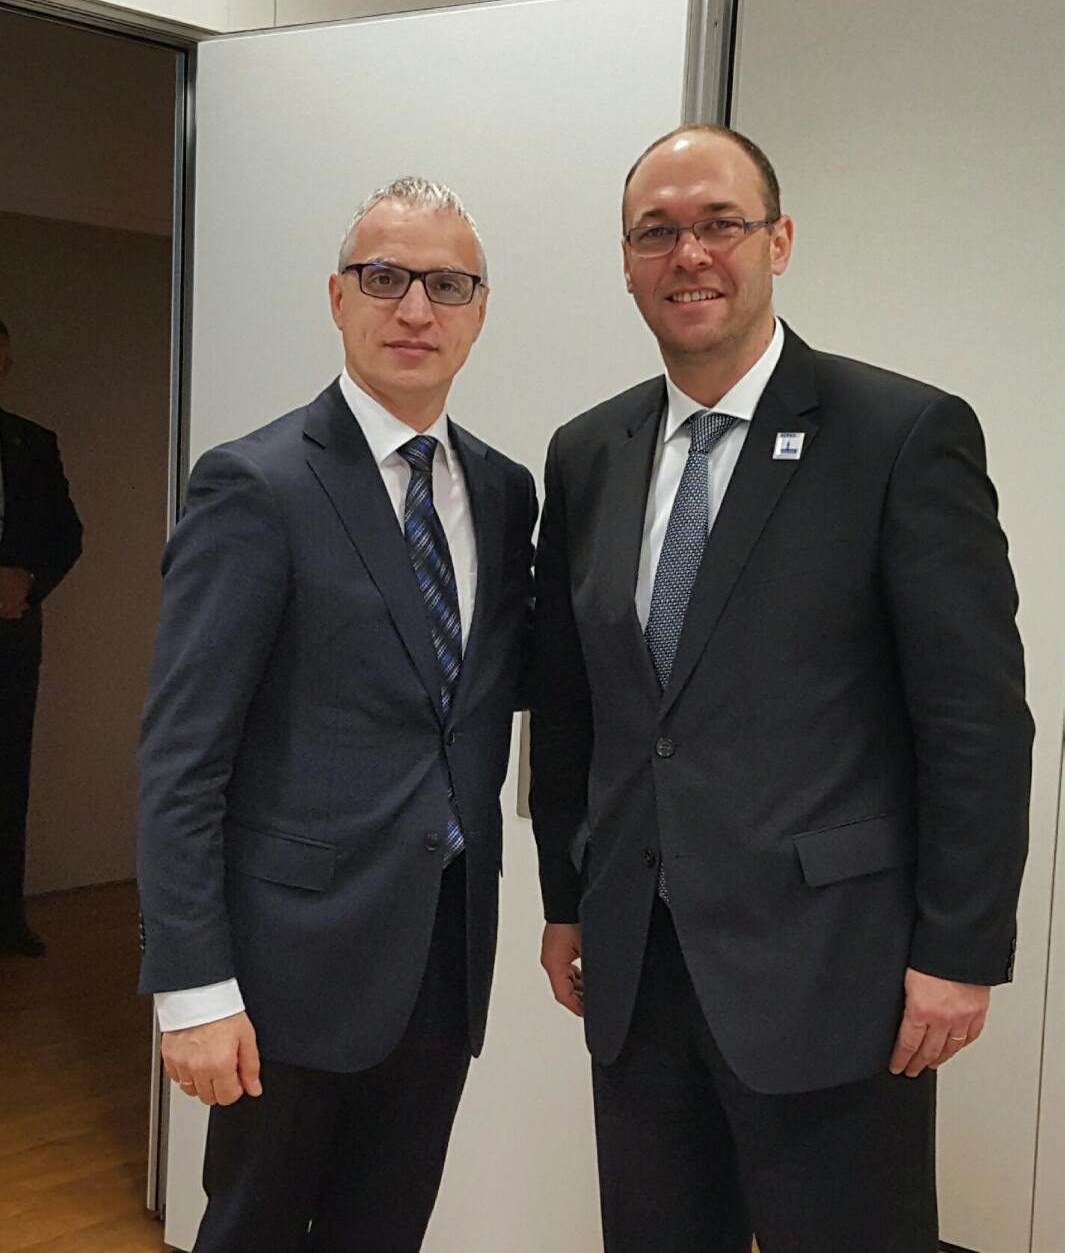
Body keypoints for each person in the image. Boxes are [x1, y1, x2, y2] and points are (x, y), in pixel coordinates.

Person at [529, 125, 1032, 1253]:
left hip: (833, 967)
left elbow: (976, 720)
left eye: (719, 223)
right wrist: (567, 894)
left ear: (780, 240)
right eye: (657, 232)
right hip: (637, 968)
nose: (689, 254)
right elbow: (572, 702)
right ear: (626, 262)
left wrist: (959, 946)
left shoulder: (900, 434)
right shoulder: (587, 452)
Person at [137, 178, 536, 1253]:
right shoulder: (256, 486)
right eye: (386, 277)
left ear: (480, 309)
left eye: (447, 284)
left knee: (384, 1232)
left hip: (441, 957)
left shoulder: (504, 493)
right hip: (284, 973)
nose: (416, 308)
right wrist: (190, 983)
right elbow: (182, 759)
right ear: (337, 295)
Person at [0, 319, 83, 957]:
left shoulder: (32, 442)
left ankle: (6, 918)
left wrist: (28, 583)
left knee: (10, 774)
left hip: (13, 633)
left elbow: (67, 533)